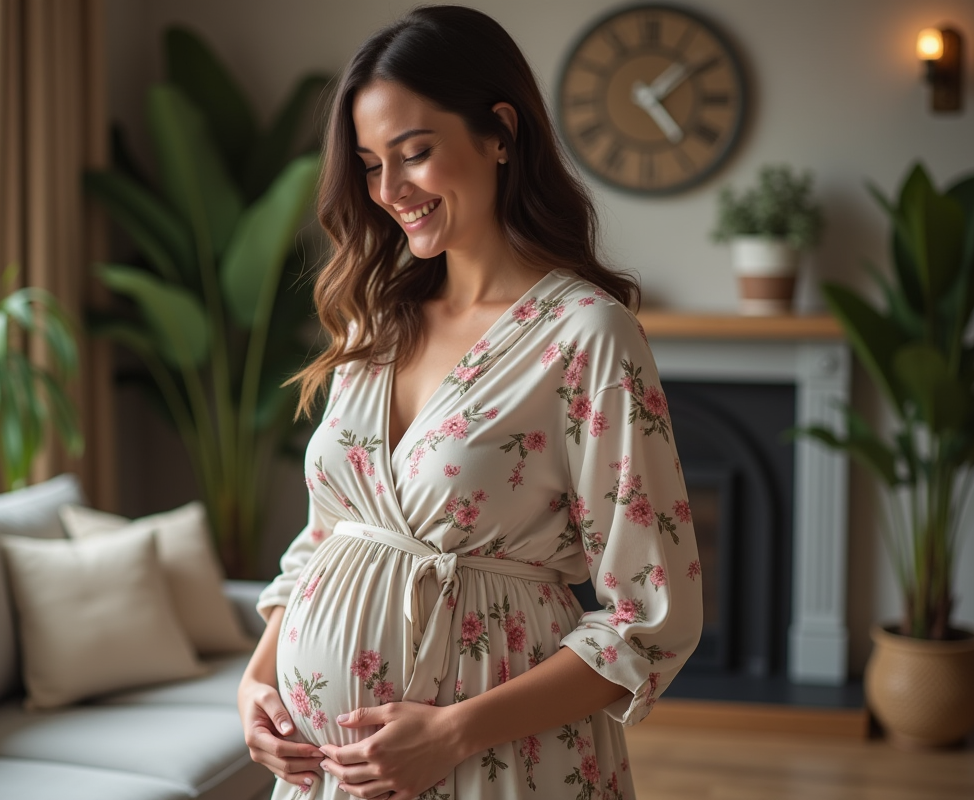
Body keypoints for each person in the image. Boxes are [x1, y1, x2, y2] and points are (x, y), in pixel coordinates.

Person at [237, 6, 702, 799]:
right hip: (330, 778)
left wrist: (452, 734)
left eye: (415, 154)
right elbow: (326, 537)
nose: (390, 190)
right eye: (371, 164)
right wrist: (258, 682)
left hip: (496, 764)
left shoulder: (587, 335)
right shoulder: (377, 320)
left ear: (499, 134)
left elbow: (649, 621)